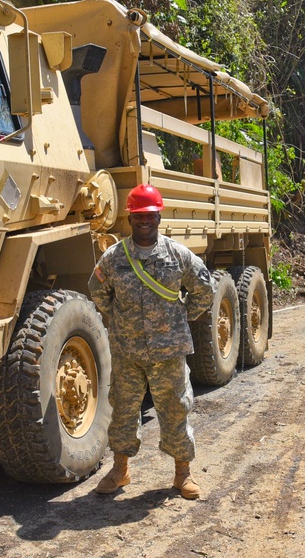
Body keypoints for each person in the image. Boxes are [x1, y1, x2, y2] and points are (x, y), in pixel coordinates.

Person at [87, 183, 216, 499]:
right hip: (127, 353)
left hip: (168, 353)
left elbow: (205, 289)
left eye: (149, 215)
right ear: (129, 219)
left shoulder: (177, 255)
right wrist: (119, 323)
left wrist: (181, 320)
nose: (144, 221)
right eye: (138, 216)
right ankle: (120, 471)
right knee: (123, 411)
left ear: (158, 216)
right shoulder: (114, 257)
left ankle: (182, 474)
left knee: (175, 410)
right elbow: (97, 290)